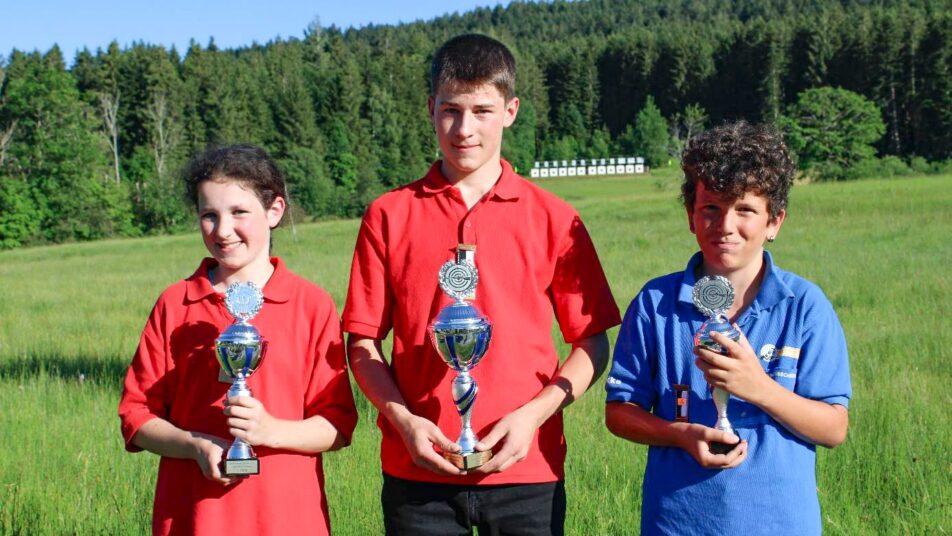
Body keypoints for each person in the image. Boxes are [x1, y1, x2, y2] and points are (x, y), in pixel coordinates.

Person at [344, 34, 621, 535]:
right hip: (418, 471)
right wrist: (404, 422)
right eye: (450, 110)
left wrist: (533, 416)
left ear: (511, 110)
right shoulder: (388, 215)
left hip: (528, 467)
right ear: (430, 108)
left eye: (483, 111)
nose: (464, 129)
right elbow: (362, 342)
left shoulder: (554, 218)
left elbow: (592, 344)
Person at [605, 121, 852, 535]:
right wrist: (679, 434)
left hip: (780, 523)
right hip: (678, 522)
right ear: (691, 215)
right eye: (711, 208)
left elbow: (833, 428)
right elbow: (619, 413)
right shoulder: (655, 304)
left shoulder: (805, 306)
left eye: (746, 210)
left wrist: (759, 387)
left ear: (775, 221)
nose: (726, 225)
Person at [118, 144, 358, 536]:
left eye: (238, 212)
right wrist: (195, 445)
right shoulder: (175, 303)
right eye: (209, 215)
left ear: (275, 211)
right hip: (194, 519)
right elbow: (136, 416)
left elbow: (338, 425)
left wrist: (269, 430)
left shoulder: (311, 304)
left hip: (287, 520)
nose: (223, 230)